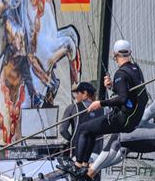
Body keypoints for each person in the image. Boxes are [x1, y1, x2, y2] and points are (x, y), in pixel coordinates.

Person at [86, 61, 155, 179]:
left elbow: (142, 119)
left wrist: (123, 118)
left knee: (119, 135)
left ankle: (89, 174)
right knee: (125, 147)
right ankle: (93, 169)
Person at [60, 40, 149, 173]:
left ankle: (78, 165)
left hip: (122, 120)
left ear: (114, 55)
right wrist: (112, 86)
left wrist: (99, 103)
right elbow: (129, 93)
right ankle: (84, 164)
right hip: (132, 119)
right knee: (91, 130)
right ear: (129, 53)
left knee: (84, 129)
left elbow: (123, 98)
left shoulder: (121, 73)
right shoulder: (136, 69)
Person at [58, 82, 104, 154]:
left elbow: (62, 130)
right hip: (97, 154)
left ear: (85, 93)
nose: (76, 96)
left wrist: (72, 140)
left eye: (78, 93)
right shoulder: (104, 109)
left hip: (78, 152)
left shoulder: (72, 108)